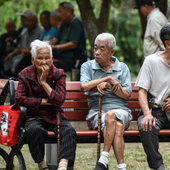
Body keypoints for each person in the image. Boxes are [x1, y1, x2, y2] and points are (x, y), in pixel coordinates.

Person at [15, 40, 77, 170]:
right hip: (34, 116)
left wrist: (44, 82)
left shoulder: (58, 73)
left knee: (69, 130)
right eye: (40, 58)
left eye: (47, 58)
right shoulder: (25, 74)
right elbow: (20, 98)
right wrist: (42, 101)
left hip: (54, 115)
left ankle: (63, 165)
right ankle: (42, 165)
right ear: (33, 60)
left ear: (52, 59)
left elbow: (59, 100)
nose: (44, 62)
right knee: (34, 130)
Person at [80, 33, 132, 170]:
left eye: (101, 49)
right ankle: (122, 167)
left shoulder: (123, 68)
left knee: (111, 115)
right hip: (96, 113)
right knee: (117, 126)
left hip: (121, 111)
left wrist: (111, 87)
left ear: (111, 52)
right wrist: (107, 79)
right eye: (95, 48)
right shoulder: (87, 66)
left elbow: (126, 95)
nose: (96, 52)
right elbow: (84, 86)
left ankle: (103, 160)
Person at [135, 23, 170, 170]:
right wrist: (147, 114)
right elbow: (142, 91)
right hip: (155, 111)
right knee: (147, 127)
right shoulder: (151, 61)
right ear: (168, 43)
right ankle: (158, 167)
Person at [3, 9, 42, 77]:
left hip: (31, 54)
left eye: (28, 20)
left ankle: (14, 75)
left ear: (35, 21)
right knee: (8, 60)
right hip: (21, 54)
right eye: (26, 20)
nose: (26, 22)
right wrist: (12, 54)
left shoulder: (40, 31)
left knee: (19, 61)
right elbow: (19, 47)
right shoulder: (24, 31)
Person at [50, 2, 87, 72]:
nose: (59, 15)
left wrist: (56, 47)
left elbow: (73, 44)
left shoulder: (76, 24)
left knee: (53, 65)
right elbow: (55, 39)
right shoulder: (63, 24)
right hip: (60, 53)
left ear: (68, 11)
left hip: (73, 56)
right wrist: (46, 46)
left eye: (60, 12)